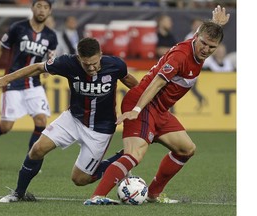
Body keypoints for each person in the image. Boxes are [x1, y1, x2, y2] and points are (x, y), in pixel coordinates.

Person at [84, 5, 230, 205]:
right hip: (143, 103)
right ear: (196, 38)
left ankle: (153, 193)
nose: (206, 49)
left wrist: (215, 24)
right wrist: (137, 110)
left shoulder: (200, 42)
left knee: (186, 149)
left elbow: (207, 32)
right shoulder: (181, 56)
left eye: (211, 47)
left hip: (159, 110)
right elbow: (157, 83)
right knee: (135, 155)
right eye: (203, 44)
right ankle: (96, 197)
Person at [0, 37, 139, 203]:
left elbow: (134, 84)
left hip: (101, 129)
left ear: (101, 55)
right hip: (73, 119)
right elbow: (38, 67)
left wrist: (144, 105)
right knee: (37, 149)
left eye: (94, 63)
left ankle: (121, 160)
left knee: (80, 179)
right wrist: (5, 79)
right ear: (78, 58)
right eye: (85, 63)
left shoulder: (116, 65)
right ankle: (19, 193)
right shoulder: (67, 63)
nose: (91, 67)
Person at [0, 0, 58, 153]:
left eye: (46, 7)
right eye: (38, 6)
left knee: (41, 120)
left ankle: (31, 159)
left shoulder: (51, 36)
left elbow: (52, 57)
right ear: (32, 8)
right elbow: (0, 48)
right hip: (13, 82)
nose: (42, 10)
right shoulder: (18, 28)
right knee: (6, 126)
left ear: (50, 11)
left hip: (34, 83)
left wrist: (49, 68)